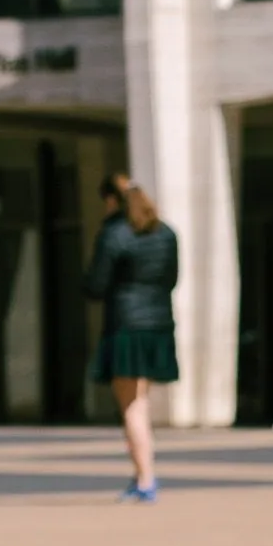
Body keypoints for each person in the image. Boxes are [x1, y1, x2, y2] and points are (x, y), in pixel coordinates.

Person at [83, 173, 177, 502]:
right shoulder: (165, 233)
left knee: (132, 407)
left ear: (112, 200)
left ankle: (145, 478)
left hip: (125, 325)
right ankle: (143, 473)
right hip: (158, 325)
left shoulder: (114, 234)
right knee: (142, 401)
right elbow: (171, 279)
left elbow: (95, 284)